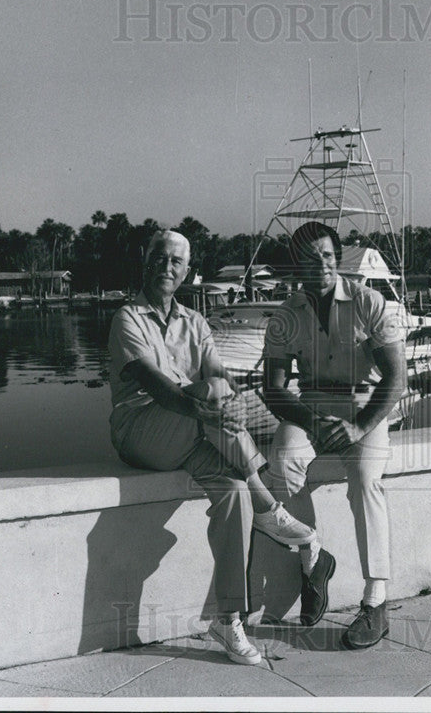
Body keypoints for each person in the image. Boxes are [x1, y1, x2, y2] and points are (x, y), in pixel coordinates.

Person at [107, 229, 316, 666]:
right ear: (147, 263)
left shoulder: (195, 321)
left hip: (191, 434)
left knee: (232, 494)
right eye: (160, 259)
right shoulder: (128, 317)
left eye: (176, 262)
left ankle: (228, 618)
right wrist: (208, 404)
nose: (167, 267)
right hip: (141, 432)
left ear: (187, 271)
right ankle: (268, 504)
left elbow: (220, 375)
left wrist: (226, 390)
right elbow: (157, 388)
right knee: (212, 395)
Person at [261, 222, 407, 649]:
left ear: (336, 257)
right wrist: (310, 421)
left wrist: (359, 425)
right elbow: (273, 387)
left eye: (327, 255)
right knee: (283, 468)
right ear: (297, 265)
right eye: (310, 258)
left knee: (365, 481)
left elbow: (396, 379)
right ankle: (313, 558)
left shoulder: (368, 302)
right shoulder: (286, 314)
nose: (321, 264)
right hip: (310, 408)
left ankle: (375, 600)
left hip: (364, 408)